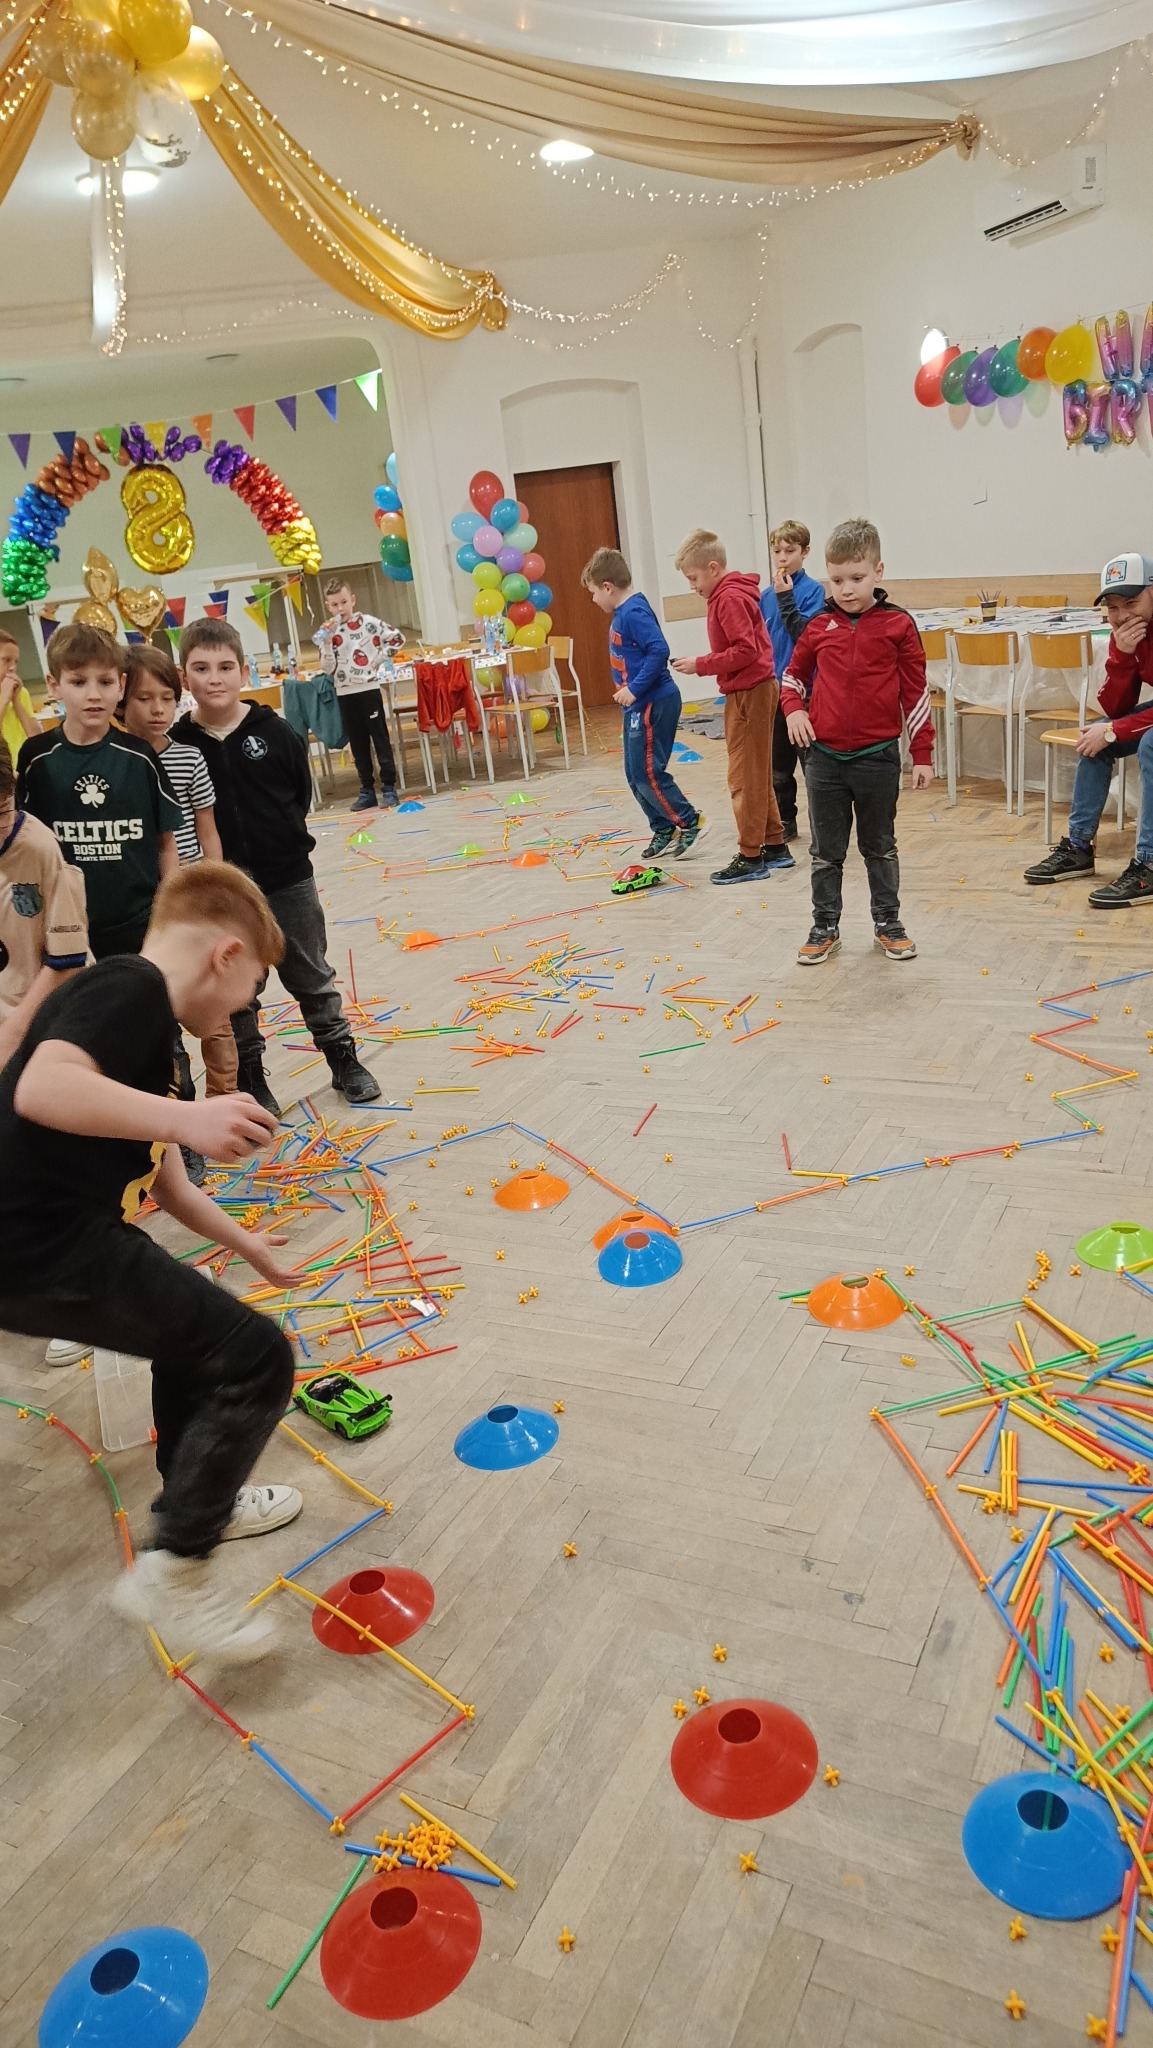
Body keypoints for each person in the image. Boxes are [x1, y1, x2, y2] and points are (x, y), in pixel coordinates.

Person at [0, 862, 308, 1662]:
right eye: (253, 988)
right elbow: (42, 1089)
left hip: (44, 1240)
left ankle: (194, 1504)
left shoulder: (144, 1024)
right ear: (227, 954)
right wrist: (190, 1113)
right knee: (258, 1359)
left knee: (196, 1339)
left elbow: (160, 1172)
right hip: (37, 1243)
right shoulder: (128, 988)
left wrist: (247, 1245)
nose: (243, 1008)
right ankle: (175, 1574)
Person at [170, 618, 381, 1114]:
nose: (214, 678)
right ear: (185, 678)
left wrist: (280, 842)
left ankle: (342, 1058)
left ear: (244, 671)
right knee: (239, 987)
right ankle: (250, 1074)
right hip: (225, 891)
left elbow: (298, 795)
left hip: (288, 879)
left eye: (225, 667)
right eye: (201, 668)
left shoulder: (276, 731)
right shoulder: (178, 744)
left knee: (311, 974)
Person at [780, 517, 933, 965]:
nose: (846, 589)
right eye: (838, 579)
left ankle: (889, 923)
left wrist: (921, 753)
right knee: (825, 853)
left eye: (857, 578)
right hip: (823, 760)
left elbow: (916, 693)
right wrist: (794, 710)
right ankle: (824, 926)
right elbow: (792, 677)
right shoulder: (817, 625)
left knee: (879, 847)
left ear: (878, 572)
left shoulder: (899, 625)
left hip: (877, 758)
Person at [17, 622, 182, 961]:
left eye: (105, 682)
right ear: (54, 685)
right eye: (78, 682)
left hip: (139, 927)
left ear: (121, 685)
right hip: (65, 926)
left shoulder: (140, 757)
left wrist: (170, 914)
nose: (93, 694)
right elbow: (25, 846)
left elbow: (166, 843)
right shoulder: (36, 757)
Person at [121, 645, 238, 1101]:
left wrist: (219, 894)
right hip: (140, 903)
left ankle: (224, 1100)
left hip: (191, 900)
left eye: (167, 698)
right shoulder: (119, 761)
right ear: (120, 701)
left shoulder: (188, 758)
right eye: (144, 698)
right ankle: (177, 1112)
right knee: (159, 1020)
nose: (157, 709)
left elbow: (208, 833)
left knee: (214, 1013)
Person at [1024, 552, 1153, 907]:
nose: (1122, 615)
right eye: (1113, 607)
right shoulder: (1127, 635)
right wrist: (1124, 655)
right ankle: (1078, 848)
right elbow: (1115, 708)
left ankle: (1149, 864)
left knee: (1147, 743)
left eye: (1132, 601)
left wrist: (1114, 731)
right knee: (1097, 735)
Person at [670, 529, 793, 884]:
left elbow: (746, 651)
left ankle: (750, 856)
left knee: (744, 778)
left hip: (750, 691)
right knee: (755, 772)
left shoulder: (728, 599)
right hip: (747, 690)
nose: (692, 585)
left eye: (693, 578)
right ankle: (774, 846)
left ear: (712, 568)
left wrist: (701, 664)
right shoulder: (727, 595)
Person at [582, 545, 706, 859]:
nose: (594, 600)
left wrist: (635, 689)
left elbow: (658, 650)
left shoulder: (633, 612)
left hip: (652, 702)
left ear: (608, 587)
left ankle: (689, 821)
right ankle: (663, 827)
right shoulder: (626, 612)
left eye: (594, 593)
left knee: (649, 772)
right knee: (634, 773)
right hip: (637, 706)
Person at [0, 738, 88, 1070]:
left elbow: (66, 962)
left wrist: (12, 1033)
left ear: (15, 784)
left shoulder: (42, 850)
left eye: (0, 812)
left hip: (39, 1027)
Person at [759, 522, 826, 842]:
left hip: (804, 692)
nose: (782, 557)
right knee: (778, 768)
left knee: (811, 765)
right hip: (773, 689)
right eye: (777, 551)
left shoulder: (813, 591)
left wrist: (786, 597)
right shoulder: (764, 596)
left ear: (805, 552)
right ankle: (787, 822)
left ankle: (823, 828)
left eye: (790, 551)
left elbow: (806, 636)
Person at [316, 578, 404, 812]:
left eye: (344, 602)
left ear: (352, 600)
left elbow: (397, 639)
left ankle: (388, 788)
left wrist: (377, 661)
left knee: (380, 738)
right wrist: (325, 643)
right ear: (328, 606)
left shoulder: (369, 623)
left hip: (368, 690)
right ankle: (367, 789)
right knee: (358, 743)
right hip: (344, 693)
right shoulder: (329, 632)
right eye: (334, 605)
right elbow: (327, 669)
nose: (340, 609)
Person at [0, 628, 42, 769]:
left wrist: (16, 701)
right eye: (6, 660)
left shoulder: (21, 692)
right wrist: (4, 700)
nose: (12, 667)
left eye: (15, 661)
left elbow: (36, 737)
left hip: (25, 768)